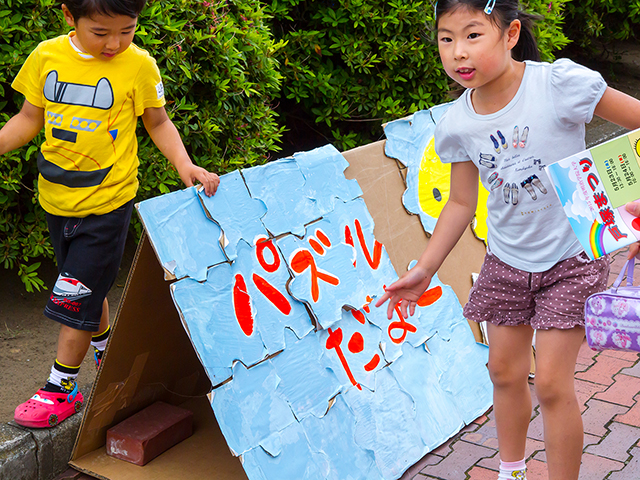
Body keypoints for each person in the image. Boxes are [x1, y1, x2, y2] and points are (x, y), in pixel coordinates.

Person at [375, 1, 640, 479]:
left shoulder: (557, 84)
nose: (459, 53)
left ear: (511, 33)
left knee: (554, 384)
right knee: (504, 373)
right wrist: (425, 268)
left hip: (572, 258)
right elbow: (459, 203)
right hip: (507, 263)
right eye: (446, 38)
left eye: (473, 35)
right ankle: (511, 471)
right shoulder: (456, 122)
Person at [0, 0, 220, 428]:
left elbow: (157, 122)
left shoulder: (138, 65)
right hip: (56, 199)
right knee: (86, 287)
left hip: (108, 203)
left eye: (127, 30)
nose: (114, 44)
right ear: (69, 17)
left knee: (74, 294)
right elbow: (28, 118)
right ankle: (108, 353)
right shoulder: (47, 57)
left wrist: (185, 165)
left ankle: (62, 387)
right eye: (101, 33)